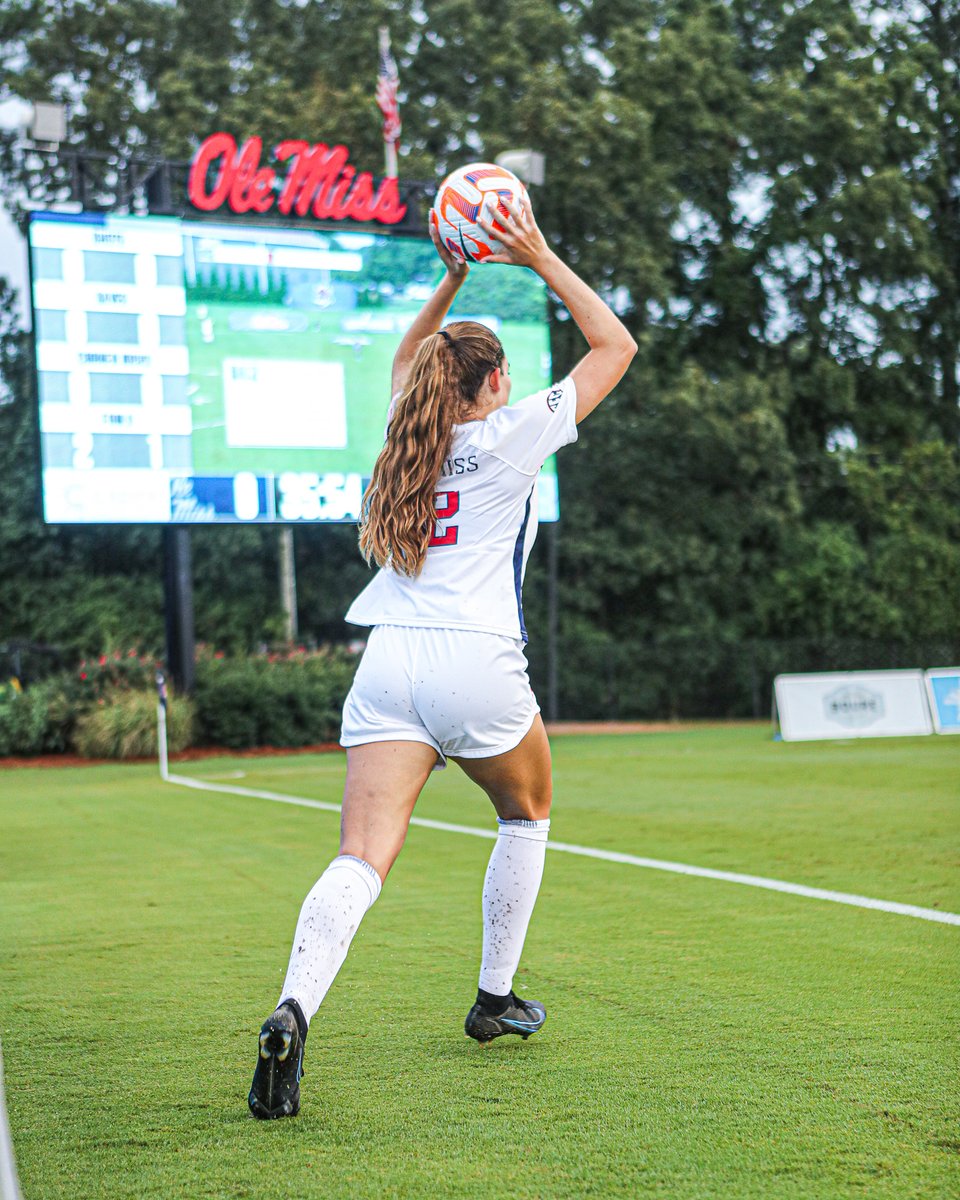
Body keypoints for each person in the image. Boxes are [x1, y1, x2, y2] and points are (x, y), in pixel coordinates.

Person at [248, 194, 637, 1120]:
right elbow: (614, 345)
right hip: (478, 661)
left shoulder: (407, 438)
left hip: (387, 664)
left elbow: (403, 363)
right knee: (529, 811)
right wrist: (536, 253)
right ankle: (494, 999)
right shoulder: (511, 436)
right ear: (494, 383)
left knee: (361, 857)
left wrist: (454, 268)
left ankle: (293, 1009)